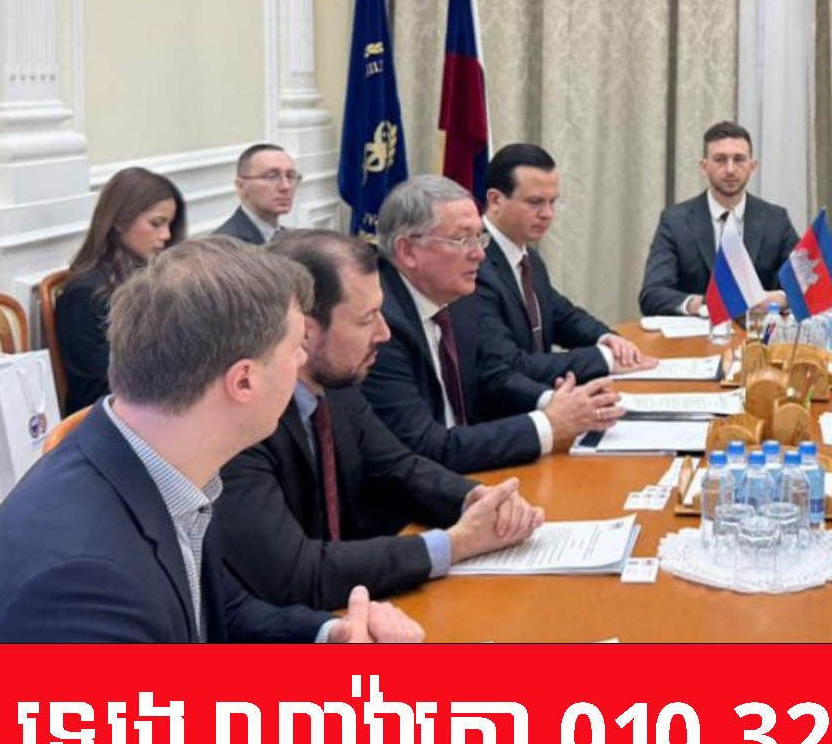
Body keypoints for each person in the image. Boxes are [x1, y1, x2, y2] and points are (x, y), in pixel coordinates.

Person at [0, 238, 423, 643]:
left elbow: (217, 610)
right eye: (295, 348)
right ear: (243, 381)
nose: (302, 362)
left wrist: (330, 635)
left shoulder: (155, 461)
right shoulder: (86, 582)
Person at [215, 231, 546, 610]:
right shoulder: (244, 422)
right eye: (367, 319)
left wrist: (477, 499)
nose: (384, 333)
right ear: (304, 331)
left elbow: (397, 467)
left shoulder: (337, 386)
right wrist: (454, 544)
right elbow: (296, 575)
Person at [364, 175, 622, 473]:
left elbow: (492, 376)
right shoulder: (380, 327)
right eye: (463, 240)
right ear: (408, 251)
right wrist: (547, 425)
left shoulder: (458, 298)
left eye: (480, 237)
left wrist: (557, 402)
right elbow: (425, 447)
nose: (480, 254)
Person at [477, 143, 656, 383]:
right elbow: (511, 365)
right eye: (535, 202)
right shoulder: (473, 264)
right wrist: (603, 359)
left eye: (552, 202)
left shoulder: (528, 258)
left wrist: (607, 339)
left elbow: (562, 316)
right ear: (496, 200)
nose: (547, 214)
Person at [55, 167, 187, 414]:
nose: (167, 235)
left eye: (170, 224)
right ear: (119, 221)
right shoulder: (84, 294)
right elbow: (95, 388)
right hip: (118, 416)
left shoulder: (155, 278)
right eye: (156, 224)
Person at [638, 121, 797, 318]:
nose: (730, 169)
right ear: (704, 167)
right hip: (697, 334)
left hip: (757, 332)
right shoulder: (675, 221)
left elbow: (804, 284)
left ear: (752, 166)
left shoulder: (776, 220)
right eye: (720, 160)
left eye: (739, 159)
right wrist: (702, 304)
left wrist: (778, 299)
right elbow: (652, 294)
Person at [213, 143, 299, 244]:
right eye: (272, 176)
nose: (286, 186)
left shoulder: (291, 239)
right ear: (241, 186)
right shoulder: (223, 246)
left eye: (290, 176)